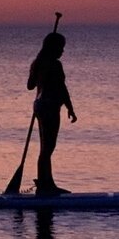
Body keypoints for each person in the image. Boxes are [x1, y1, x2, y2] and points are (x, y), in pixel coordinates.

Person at [27, 16, 77, 196]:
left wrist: (40, 73)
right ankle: (45, 185)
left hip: (39, 105)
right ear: (54, 48)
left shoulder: (38, 63)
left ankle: (46, 182)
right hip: (50, 106)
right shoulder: (55, 65)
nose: (63, 51)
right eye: (61, 48)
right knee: (48, 148)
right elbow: (62, 88)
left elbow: (30, 86)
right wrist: (70, 108)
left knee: (45, 147)